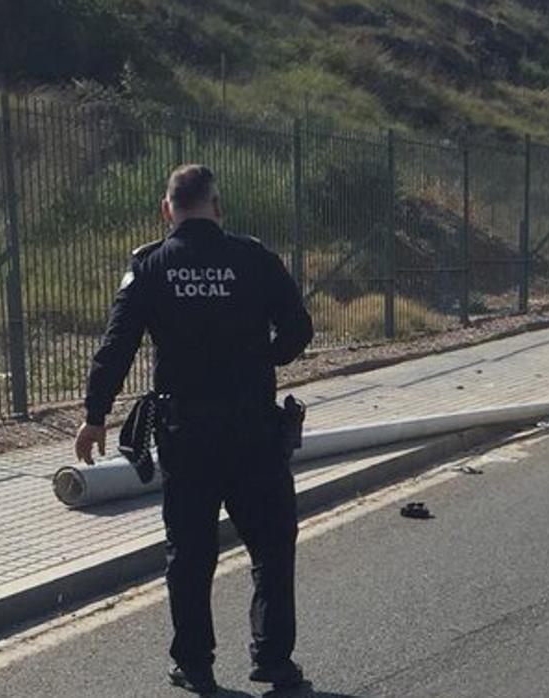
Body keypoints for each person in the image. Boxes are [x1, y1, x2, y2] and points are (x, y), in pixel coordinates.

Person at [74, 164, 314, 694]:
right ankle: (273, 661)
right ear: (217, 205)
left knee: (189, 553)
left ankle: (195, 664)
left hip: (188, 435)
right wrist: (263, 361)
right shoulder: (253, 258)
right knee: (272, 546)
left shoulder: (151, 266)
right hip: (253, 429)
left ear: (167, 210)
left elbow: (117, 347)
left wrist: (95, 417)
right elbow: (299, 328)